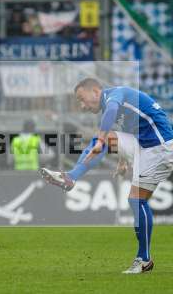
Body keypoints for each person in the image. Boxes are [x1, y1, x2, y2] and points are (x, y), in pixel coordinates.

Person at [40, 78, 173, 274]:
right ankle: (71, 177)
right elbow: (129, 131)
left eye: (82, 99)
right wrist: (123, 160)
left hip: (160, 147)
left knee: (136, 200)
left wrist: (101, 140)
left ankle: (144, 259)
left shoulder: (115, 95)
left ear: (95, 91)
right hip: (145, 146)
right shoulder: (118, 105)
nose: (82, 106)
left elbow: (110, 113)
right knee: (134, 198)